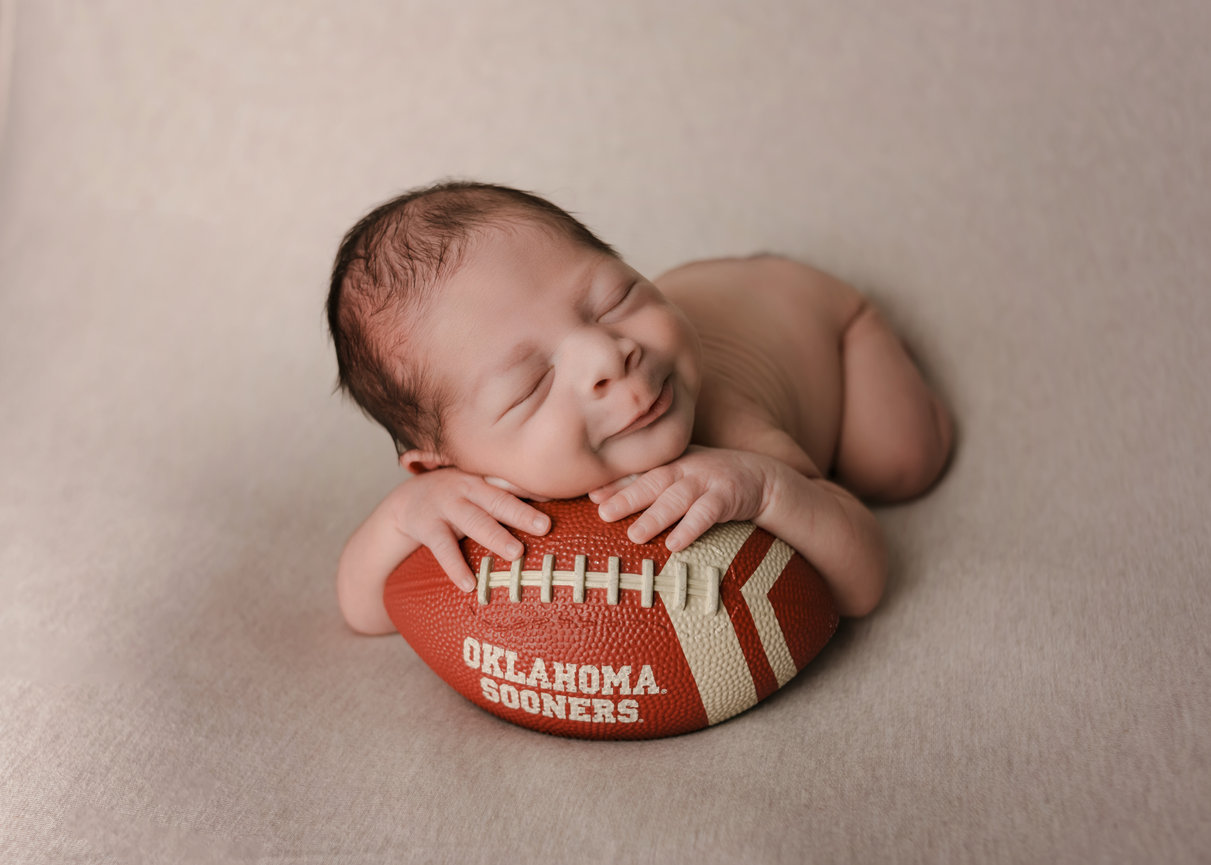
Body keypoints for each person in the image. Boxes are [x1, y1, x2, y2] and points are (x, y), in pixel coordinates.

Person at [326, 180, 953, 634]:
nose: (608, 354)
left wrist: (768, 492)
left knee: (896, 465)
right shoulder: (463, 486)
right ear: (443, 464)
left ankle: (860, 322)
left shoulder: (731, 426)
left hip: (813, 316)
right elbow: (362, 610)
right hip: (724, 294)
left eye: (613, 298)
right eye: (530, 385)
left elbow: (864, 584)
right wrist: (402, 518)